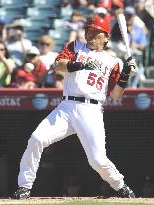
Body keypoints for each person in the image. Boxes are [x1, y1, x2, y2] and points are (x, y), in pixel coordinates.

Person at [13, 16, 136, 199]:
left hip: (91, 110)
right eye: (89, 31)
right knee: (36, 139)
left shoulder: (113, 61)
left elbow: (116, 95)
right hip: (66, 107)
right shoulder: (75, 47)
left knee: (97, 160)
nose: (91, 34)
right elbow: (58, 66)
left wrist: (126, 74)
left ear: (106, 37)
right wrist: (79, 64)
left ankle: (121, 186)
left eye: (96, 32)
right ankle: (24, 186)